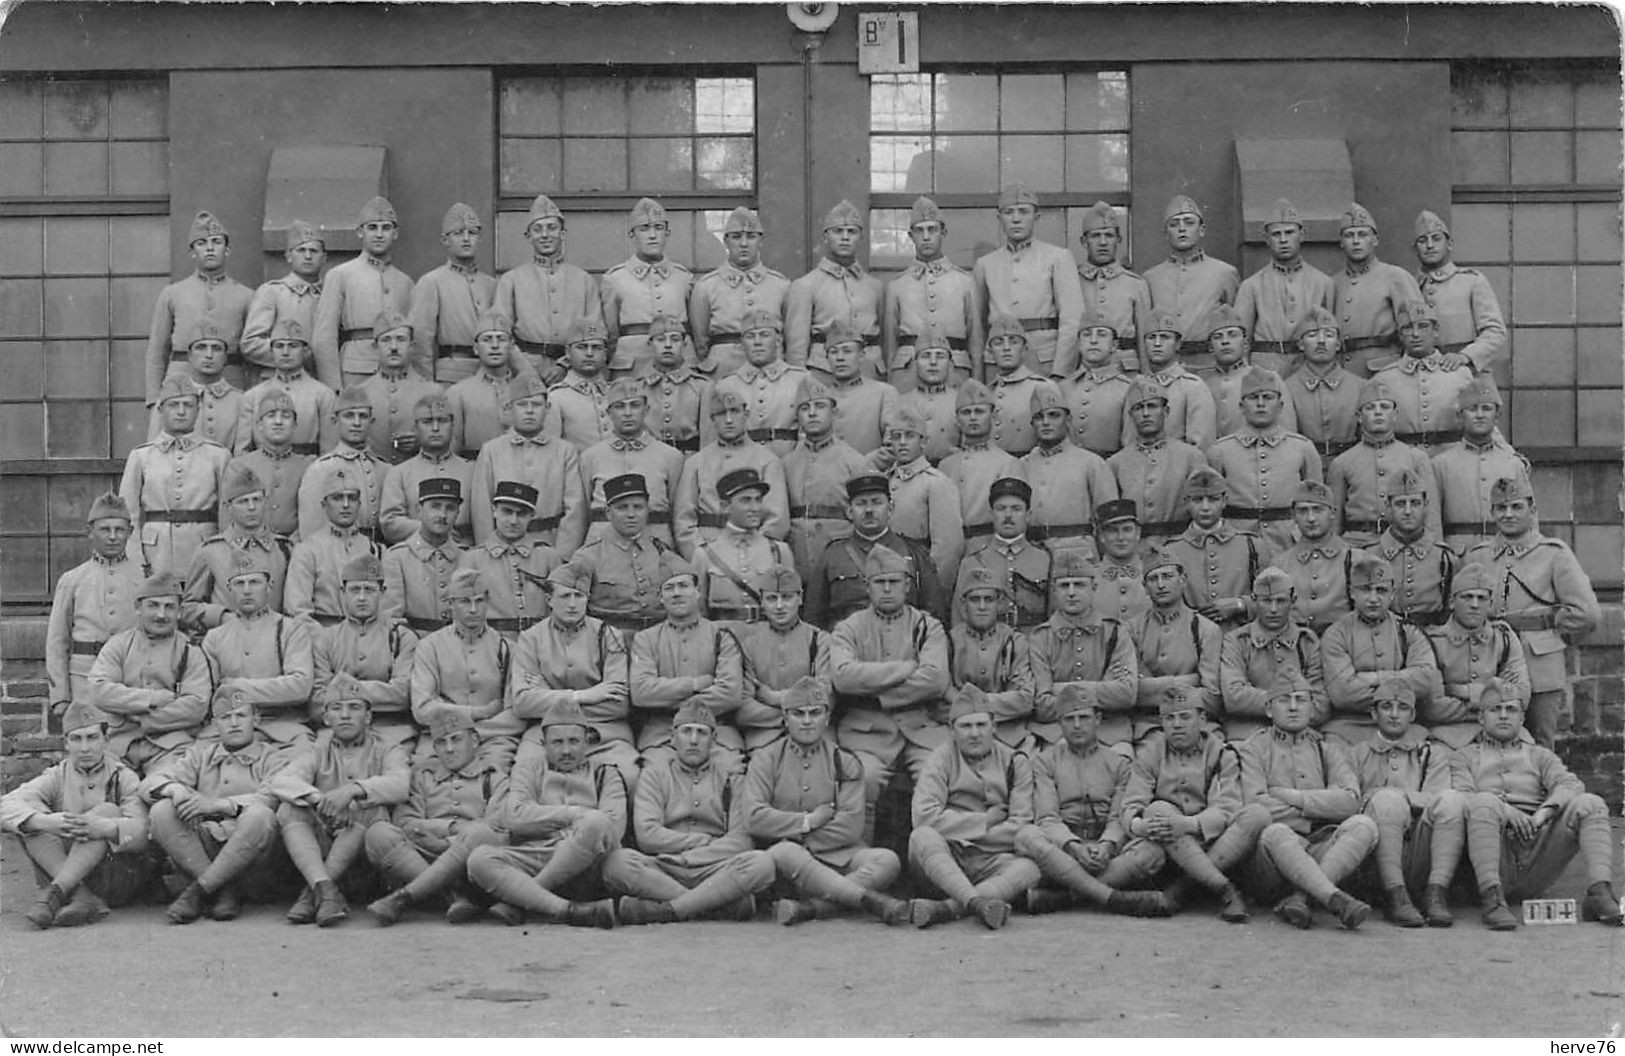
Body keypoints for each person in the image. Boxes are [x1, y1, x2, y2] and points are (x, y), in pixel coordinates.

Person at [1451, 682, 1622, 929]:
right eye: (1494, 709)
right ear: (1480, 717)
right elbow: (1461, 795)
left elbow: (1570, 785)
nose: (1503, 715)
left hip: (1537, 846)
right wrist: (1505, 810)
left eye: (1511, 709)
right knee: (1482, 802)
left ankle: (1599, 892)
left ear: (1522, 718)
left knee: (1591, 803)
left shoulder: (1540, 756)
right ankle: (1492, 898)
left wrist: (1544, 812)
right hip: (1492, 849)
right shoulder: (1463, 757)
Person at [742, 677, 912, 926]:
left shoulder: (845, 762)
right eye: (799, 714)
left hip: (839, 857)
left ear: (827, 718)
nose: (808, 721)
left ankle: (813, 908)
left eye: (815, 713)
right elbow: (754, 817)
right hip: (791, 861)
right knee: (783, 852)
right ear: (785, 720)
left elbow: (851, 825)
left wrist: (797, 836)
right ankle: (864, 900)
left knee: (886, 860)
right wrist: (807, 822)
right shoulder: (766, 759)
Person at [603, 700, 776, 924]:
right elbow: (647, 835)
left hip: (715, 869)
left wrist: (694, 858)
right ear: (673, 738)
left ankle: (668, 910)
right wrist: (699, 844)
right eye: (686, 731)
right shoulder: (654, 775)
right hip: (666, 866)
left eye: (701, 733)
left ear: (714, 740)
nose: (693, 740)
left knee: (762, 864)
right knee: (616, 862)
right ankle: (717, 906)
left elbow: (741, 840)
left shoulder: (733, 778)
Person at [1465, 475, 1600, 748]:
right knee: (1488, 741)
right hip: (1491, 662)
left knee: (1540, 744)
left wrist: (1550, 626)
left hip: (1538, 664)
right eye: (1501, 508)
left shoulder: (1554, 554)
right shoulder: (1478, 556)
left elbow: (1587, 614)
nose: (1508, 514)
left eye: (1516, 507)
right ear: (1492, 513)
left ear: (1532, 510)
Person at [465, 698, 625, 928]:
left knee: (596, 822)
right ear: (543, 744)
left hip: (587, 867)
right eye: (557, 742)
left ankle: (523, 900)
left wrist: (564, 831)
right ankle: (570, 911)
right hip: (536, 855)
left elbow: (612, 828)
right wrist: (574, 814)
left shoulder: (605, 774)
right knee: (480, 859)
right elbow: (516, 817)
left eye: (574, 741)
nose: (566, 750)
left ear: (587, 742)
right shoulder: (528, 769)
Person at [1114, 686, 1269, 921]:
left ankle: (1183, 889)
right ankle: (1224, 890)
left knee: (1257, 814)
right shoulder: (1150, 752)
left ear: (1202, 719)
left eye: (1185, 717)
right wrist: (1139, 826)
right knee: (1158, 809)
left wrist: (1188, 824)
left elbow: (1225, 808)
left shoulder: (1221, 753)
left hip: (1214, 842)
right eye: (1169, 718)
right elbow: (1132, 803)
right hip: (1166, 844)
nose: (1177, 725)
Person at [829, 543, 951, 837]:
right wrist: (908, 668)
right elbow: (843, 677)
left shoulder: (927, 626)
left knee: (935, 775)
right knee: (863, 778)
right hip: (866, 731)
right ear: (867, 586)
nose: (886, 589)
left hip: (920, 726)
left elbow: (935, 679)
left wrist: (875, 691)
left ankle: (931, 862)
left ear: (907, 585)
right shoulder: (849, 628)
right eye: (879, 582)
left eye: (893, 582)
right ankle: (861, 859)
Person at [140, 688, 291, 924]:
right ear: (214, 724)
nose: (233, 724)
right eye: (225, 717)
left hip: (254, 862)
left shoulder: (273, 758)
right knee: (162, 810)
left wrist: (218, 805)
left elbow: (272, 797)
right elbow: (151, 783)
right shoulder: (201, 756)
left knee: (261, 815)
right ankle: (221, 888)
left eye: (241, 716)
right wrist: (175, 789)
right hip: (205, 851)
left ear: (256, 719)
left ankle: (202, 889)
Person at [270, 676, 411, 926]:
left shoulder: (388, 748)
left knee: (367, 806)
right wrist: (319, 799)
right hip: (322, 849)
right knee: (288, 809)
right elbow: (281, 781)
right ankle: (325, 891)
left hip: (365, 859)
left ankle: (312, 893)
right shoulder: (318, 749)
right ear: (326, 719)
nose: (345, 715)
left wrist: (352, 790)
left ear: (368, 716)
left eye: (354, 707)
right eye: (337, 708)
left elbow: (400, 785)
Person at [1238, 678, 1377, 930]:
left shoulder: (1327, 749)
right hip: (1272, 860)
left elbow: (1350, 801)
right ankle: (1328, 896)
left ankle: (1304, 896)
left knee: (1364, 825)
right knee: (1275, 832)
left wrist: (1294, 797)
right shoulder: (1253, 749)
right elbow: (1256, 804)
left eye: (1301, 700)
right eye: (1284, 700)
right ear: (1269, 709)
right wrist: (1320, 811)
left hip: (1318, 847)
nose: (1293, 707)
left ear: (1312, 709)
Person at [1012, 685, 1161, 917]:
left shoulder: (1119, 763)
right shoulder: (1045, 762)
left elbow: (1118, 817)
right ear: (1060, 724)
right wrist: (1073, 847)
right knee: (1027, 837)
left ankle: (1066, 898)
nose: (1078, 725)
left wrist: (1107, 845)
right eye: (1069, 719)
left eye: (1084, 717)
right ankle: (1112, 898)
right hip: (1062, 852)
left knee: (1152, 850)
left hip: (1105, 853)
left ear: (1098, 719)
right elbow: (1047, 817)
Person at [3, 700, 150, 930]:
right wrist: (46, 822)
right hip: (68, 872)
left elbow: (144, 832)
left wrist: (107, 827)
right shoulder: (56, 775)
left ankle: (57, 893)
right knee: (29, 821)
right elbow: (6, 805)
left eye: (92, 738)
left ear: (106, 740)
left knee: (107, 812)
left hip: (113, 879)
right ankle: (81, 895)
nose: (84, 748)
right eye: (76, 739)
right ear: (66, 744)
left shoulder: (124, 777)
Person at [907, 694, 1042, 930]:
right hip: (947, 858)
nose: (974, 733)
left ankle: (948, 908)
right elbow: (924, 817)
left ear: (994, 727)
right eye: (965, 726)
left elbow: (1020, 824)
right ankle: (978, 903)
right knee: (922, 836)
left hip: (991, 862)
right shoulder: (940, 759)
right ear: (952, 730)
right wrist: (985, 821)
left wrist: (966, 834)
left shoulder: (1014, 761)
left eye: (981, 725)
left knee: (1029, 867)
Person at [363, 709, 508, 926]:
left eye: (456, 740)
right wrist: (452, 830)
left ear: (475, 740)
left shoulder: (494, 777)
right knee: (378, 833)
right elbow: (404, 822)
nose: (449, 749)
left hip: (468, 859)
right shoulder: (423, 777)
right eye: (441, 743)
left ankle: (405, 896)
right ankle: (450, 895)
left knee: (480, 834)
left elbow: (497, 826)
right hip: (422, 854)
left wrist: (447, 840)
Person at [1349, 679, 1466, 928]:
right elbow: (1349, 801)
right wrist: (1383, 799)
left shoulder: (1431, 754)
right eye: (1386, 707)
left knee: (1453, 800)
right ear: (1373, 713)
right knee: (1386, 801)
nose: (1393, 715)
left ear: (1412, 715)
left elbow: (1438, 798)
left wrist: (1398, 795)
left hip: (1418, 848)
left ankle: (1436, 892)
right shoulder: (1356, 754)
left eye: (1402, 708)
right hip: (1373, 854)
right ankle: (1395, 895)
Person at [512, 561, 637, 785]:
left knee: (629, 774)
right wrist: (585, 695)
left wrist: (548, 696)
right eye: (565, 596)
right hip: (546, 734)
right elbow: (522, 703)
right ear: (549, 600)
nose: (572, 604)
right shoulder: (531, 638)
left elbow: (618, 704)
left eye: (579, 596)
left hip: (604, 734)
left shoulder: (609, 635)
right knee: (525, 772)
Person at [86, 572, 211, 774]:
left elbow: (196, 706)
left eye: (169, 607)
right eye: (153, 605)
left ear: (179, 612)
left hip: (171, 747)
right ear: (137, 608)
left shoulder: (191, 652)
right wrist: (153, 698)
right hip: (120, 747)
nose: (161, 615)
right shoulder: (119, 645)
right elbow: (98, 691)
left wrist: (137, 716)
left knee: (163, 794)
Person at [629, 564, 746, 769]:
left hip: (715, 731)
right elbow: (641, 692)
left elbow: (730, 693)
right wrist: (695, 683)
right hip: (662, 734)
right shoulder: (646, 639)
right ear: (660, 597)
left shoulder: (721, 636)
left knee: (729, 768)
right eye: (669, 588)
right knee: (656, 770)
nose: (676, 593)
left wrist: (667, 696)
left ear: (697, 592)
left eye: (683, 586)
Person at [410, 568, 523, 771]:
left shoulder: (507, 648)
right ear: (451, 603)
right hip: (441, 737)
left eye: (479, 601)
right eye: (464, 602)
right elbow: (423, 709)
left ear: (487, 602)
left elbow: (516, 713)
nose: (473, 609)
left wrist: (474, 733)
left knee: (493, 771)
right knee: (423, 770)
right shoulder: (430, 647)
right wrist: (478, 712)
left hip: (494, 739)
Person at [202, 550, 315, 750]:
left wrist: (237, 685)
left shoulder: (291, 629)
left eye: (254, 582)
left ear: (270, 586)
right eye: (239, 583)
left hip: (282, 729)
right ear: (229, 588)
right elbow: (210, 694)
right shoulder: (215, 638)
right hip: (229, 730)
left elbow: (300, 686)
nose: (246, 590)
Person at [120, 375, 231, 579]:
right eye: (174, 405)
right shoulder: (141, 457)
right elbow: (128, 515)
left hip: (203, 549)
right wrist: (135, 557)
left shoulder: (218, 456)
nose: (181, 412)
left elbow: (227, 513)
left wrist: (223, 556)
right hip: (155, 554)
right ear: (160, 410)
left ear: (198, 410)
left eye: (188, 405)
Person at [1026, 552, 1137, 750]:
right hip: (1056, 732)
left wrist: (1060, 689)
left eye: (1079, 585)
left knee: (1121, 760)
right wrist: (1102, 688)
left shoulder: (1114, 632)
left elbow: (1126, 694)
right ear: (1053, 590)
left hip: (1109, 730)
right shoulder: (1040, 637)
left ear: (1094, 588)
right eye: (1064, 585)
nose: (1071, 592)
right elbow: (1042, 706)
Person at [972, 182, 1082, 380]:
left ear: (1036, 217)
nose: (1016, 219)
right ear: (999, 218)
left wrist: (1061, 371)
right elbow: (978, 327)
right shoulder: (985, 264)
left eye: (1023, 212)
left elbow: (1072, 320)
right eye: (1008, 212)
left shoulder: (1057, 257)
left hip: (1042, 361)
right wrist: (979, 375)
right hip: (997, 364)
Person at [806, 474, 945, 630]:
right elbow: (813, 618)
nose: (869, 510)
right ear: (849, 512)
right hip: (847, 645)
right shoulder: (832, 556)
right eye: (861, 504)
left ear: (891, 508)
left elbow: (934, 615)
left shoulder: (914, 553)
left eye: (876, 502)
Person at [46, 492, 141, 718]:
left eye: (119, 530)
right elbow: (57, 641)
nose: (112, 537)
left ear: (131, 532)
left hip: (130, 678)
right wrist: (60, 696)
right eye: (104, 529)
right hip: (84, 679)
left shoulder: (145, 579)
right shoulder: (72, 580)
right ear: (90, 532)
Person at [1204, 367, 1321, 552]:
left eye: (1267, 397)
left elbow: (1316, 503)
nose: (1260, 404)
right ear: (1241, 406)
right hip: (1236, 543)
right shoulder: (1220, 451)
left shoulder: (1302, 448)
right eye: (1253, 398)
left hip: (1288, 542)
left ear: (1280, 405)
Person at [144, 210, 253, 405]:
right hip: (180, 379)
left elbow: (252, 353)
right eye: (202, 244)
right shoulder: (172, 293)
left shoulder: (246, 296)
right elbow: (157, 351)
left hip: (230, 380)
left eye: (216, 242)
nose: (210, 249)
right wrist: (154, 398)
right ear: (192, 252)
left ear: (227, 250)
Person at [493, 194, 602, 385]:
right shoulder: (511, 280)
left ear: (563, 233)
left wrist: (565, 364)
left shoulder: (583, 280)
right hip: (524, 371)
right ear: (528, 236)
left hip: (573, 372)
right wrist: (525, 369)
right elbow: (501, 332)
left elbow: (596, 330)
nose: (545, 235)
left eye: (552, 228)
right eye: (538, 229)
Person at [469, 374, 586, 554]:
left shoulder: (564, 451)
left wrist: (562, 556)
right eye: (522, 405)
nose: (530, 411)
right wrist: (491, 552)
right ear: (509, 408)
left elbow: (574, 509)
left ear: (547, 409)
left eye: (536, 405)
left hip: (549, 545)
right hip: (503, 547)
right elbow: (482, 509)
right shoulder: (492, 450)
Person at [312, 554, 419, 750]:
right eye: (354, 590)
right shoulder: (326, 639)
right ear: (342, 592)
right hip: (337, 732)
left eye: (369, 590)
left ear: (383, 592)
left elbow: (403, 693)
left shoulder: (401, 637)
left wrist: (342, 689)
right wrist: (379, 691)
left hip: (391, 731)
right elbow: (318, 700)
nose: (361, 597)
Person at [1423, 562, 1531, 750]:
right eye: (1467, 597)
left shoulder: (1504, 637)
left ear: (1490, 603)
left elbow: (1521, 696)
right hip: (1448, 734)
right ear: (1451, 602)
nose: (1474, 604)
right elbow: (1433, 707)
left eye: (1482, 598)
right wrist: (1493, 700)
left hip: (1500, 731)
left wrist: (1458, 691)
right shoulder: (1432, 641)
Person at [312, 196, 415, 388]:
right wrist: (334, 387)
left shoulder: (405, 282)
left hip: (398, 373)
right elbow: (323, 337)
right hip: (355, 371)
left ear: (396, 233)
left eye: (386, 228)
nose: (379, 234)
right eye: (372, 227)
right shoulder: (341, 275)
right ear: (360, 232)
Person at [673, 389, 790, 559]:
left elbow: (776, 520)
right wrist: (701, 555)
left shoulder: (767, 460)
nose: (728, 420)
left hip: (753, 552)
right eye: (721, 414)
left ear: (746, 414)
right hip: (709, 550)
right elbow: (684, 520)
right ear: (712, 419)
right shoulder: (696, 463)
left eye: (734, 412)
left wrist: (754, 552)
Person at [1219, 567, 1329, 741]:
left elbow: (1321, 704)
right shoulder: (1237, 641)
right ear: (1254, 601)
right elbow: (1234, 697)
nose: (1273, 609)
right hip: (1247, 732)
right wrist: (1291, 704)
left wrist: (1278, 709)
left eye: (1281, 601)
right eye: (1266, 601)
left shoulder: (1307, 642)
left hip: (1300, 732)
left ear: (1293, 601)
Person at [1329, 378, 1441, 548]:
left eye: (1385, 407)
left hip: (1405, 544)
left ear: (1395, 415)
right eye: (1370, 408)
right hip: (1358, 545)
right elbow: (1334, 520)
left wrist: (1433, 550)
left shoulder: (1416, 458)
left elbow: (1431, 515)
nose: (1378, 412)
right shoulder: (1342, 462)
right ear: (1359, 416)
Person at [884, 196, 981, 391]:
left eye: (932, 229)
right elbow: (889, 343)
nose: (926, 237)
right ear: (910, 236)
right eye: (919, 230)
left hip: (956, 369)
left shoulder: (964, 282)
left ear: (943, 232)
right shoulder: (897, 285)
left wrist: (976, 383)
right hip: (907, 371)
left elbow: (975, 339)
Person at [1128, 546, 1222, 744]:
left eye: (1167, 576)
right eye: (1153, 579)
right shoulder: (1131, 629)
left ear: (1183, 580)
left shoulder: (1205, 629)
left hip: (1197, 723)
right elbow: (1130, 692)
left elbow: (1212, 698)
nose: (1161, 584)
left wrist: (1153, 687)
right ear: (1145, 587)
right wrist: (1189, 681)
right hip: (1149, 724)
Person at [573, 472, 683, 640]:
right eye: (622, 508)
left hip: (658, 642)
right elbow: (573, 613)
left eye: (638, 507)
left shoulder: (663, 552)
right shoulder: (588, 557)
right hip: (609, 643)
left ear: (647, 510)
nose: (631, 514)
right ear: (608, 513)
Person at [185, 464, 292, 634]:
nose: (251, 507)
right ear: (228, 507)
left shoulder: (284, 549)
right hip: (226, 639)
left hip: (272, 640)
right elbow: (188, 608)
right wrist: (222, 617)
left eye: (256, 500)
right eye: (243, 501)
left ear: (265, 502)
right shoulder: (210, 551)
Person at [579, 379, 685, 549]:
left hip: (655, 542)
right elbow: (582, 512)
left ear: (646, 410)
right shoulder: (591, 456)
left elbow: (677, 511)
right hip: (602, 544)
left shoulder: (670, 456)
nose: (627, 413)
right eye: (619, 407)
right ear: (609, 412)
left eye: (635, 406)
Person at [786, 199, 885, 381]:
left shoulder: (874, 287)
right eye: (838, 231)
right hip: (823, 373)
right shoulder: (806, 285)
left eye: (852, 232)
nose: (845, 237)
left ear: (861, 238)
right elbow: (796, 348)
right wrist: (799, 384)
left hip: (869, 372)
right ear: (825, 237)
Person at [782, 377, 871, 578]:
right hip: (798, 564)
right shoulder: (787, 463)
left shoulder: (854, 462)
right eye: (805, 408)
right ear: (797, 417)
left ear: (834, 412)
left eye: (819, 406)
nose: (812, 413)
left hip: (842, 567)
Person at [689, 206, 791, 380]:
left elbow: (790, 337)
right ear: (725, 241)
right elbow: (700, 340)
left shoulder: (781, 285)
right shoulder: (706, 286)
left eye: (751, 237)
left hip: (770, 372)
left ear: (761, 241)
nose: (744, 243)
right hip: (723, 370)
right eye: (736, 237)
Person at [737, 564, 830, 755]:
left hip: (815, 735)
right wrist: (792, 716)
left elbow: (824, 694)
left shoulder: (819, 640)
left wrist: (773, 698)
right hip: (764, 736)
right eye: (772, 598)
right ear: (761, 601)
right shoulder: (748, 644)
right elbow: (744, 707)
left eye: (787, 598)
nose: (779, 606)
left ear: (800, 598)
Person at [1142, 195, 1238, 377]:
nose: (1182, 229)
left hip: (1209, 366)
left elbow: (1234, 324)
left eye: (1188, 222)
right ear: (1165, 233)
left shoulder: (1224, 273)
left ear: (1201, 230)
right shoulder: (1151, 277)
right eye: (1174, 224)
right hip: (1165, 368)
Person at [1432, 376, 1529, 555]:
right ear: (1460, 417)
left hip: (1504, 553)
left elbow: (1529, 518)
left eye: (1486, 409)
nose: (1479, 415)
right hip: (1459, 555)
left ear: (1497, 416)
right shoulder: (1441, 465)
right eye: (1472, 409)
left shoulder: (1512, 463)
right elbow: (1432, 521)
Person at [1166, 466, 1270, 632]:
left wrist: (1240, 604)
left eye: (1213, 499)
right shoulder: (1172, 550)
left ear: (1224, 501)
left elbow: (1273, 597)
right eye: (1197, 500)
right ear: (1186, 502)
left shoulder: (1251, 545)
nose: (1205, 507)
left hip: (1243, 639)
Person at [1108, 376, 1208, 546]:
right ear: (1131, 414)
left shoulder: (1191, 457)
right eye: (1139, 408)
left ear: (1166, 411)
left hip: (1181, 546)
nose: (1146, 414)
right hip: (1135, 550)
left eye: (1152, 406)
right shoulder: (1115, 463)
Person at [1023, 383, 1118, 561]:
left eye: (1054, 415)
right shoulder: (1023, 465)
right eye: (1039, 417)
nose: (1045, 422)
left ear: (1068, 420)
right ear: (1032, 423)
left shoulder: (1091, 463)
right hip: (1034, 555)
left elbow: (1109, 521)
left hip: (1079, 554)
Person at [601, 197, 693, 380]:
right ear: (632, 235)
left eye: (658, 228)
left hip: (677, 365)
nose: (652, 235)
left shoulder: (683, 277)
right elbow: (610, 334)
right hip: (632, 366)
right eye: (644, 229)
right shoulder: (615, 279)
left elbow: (695, 330)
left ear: (667, 232)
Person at [408, 202, 498, 385]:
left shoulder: (491, 284)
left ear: (480, 238)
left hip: (490, 375)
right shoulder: (432, 282)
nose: (466, 239)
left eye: (472, 233)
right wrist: (426, 385)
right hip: (450, 376)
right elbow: (421, 343)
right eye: (458, 233)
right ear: (445, 240)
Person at [947, 568, 1036, 752]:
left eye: (988, 600)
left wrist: (970, 703)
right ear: (963, 605)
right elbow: (941, 696)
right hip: (960, 733)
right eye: (974, 600)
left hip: (1008, 732)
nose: (981, 606)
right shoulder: (950, 641)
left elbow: (1025, 698)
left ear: (1000, 604)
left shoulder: (1014, 641)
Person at [1235, 199, 1334, 365]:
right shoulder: (1252, 285)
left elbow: (1333, 335)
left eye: (1289, 233)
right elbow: (1240, 340)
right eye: (1276, 234)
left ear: (1301, 235)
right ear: (1266, 239)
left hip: (1308, 366)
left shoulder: (1323, 283)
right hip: (1266, 367)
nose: (1283, 240)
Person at [1331, 203, 1424, 378]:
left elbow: (1416, 328)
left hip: (1384, 370)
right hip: (1343, 373)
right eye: (1349, 235)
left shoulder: (1396, 277)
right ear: (1341, 243)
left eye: (1363, 234)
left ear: (1375, 240)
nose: (1356, 241)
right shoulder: (1333, 283)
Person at [692, 468, 792, 631]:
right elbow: (698, 612)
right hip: (722, 641)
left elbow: (789, 608)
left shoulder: (779, 551)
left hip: (766, 640)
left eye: (758, 500)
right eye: (745, 500)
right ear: (725, 506)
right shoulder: (705, 554)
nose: (755, 508)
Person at [457, 480, 558, 640]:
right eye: (507, 512)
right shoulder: (473, 558)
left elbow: (558, 608)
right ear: (494, 511)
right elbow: (463, 613)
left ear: (532, 516)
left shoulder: (547, 556)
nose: (513, 521)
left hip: (540, 643)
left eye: (521, 514)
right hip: (491, 643)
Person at [1372, 300, 1475, 451]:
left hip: (1451, 460)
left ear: (1436, 331)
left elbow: (1483, 425)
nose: (1415, 334)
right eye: (1408, 328)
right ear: (1400, 335)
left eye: (1423, 326)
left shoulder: (1460, 374)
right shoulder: (1384, 379)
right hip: (1404, 460)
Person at [1411, 209, 1506, 372]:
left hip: (1464, 370)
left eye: (1436, 238)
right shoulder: (1409, 286)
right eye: (1422, 240)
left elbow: (1495, 331)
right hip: (1423, 374)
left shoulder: (1471, 281)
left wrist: (1465, 356)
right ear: (1415, 248)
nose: (1430, 245)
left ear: (1450, 244)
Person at [288, 468, 385, 627]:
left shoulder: (374, 550)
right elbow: (298, 611)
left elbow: (385, 609)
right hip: (322, 638)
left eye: (351, 498)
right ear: (324, 504)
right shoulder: (307, 551)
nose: (345, 505)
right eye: (337, 498)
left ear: (359, 504)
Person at [1362, 468, 1458, 626]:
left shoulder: (1444, 557)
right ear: (1388, 506)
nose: (1408, 511)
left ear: (1426, 506)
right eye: (1400, 504)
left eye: (1415, 503)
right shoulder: (1371, 555)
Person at [379, 393, 475, 547]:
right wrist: (429, 528)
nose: (435, 428)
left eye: (442, 421)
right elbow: (390, 523)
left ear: (452, 425)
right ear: (416, 427)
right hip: (415, 553)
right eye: (427, 422)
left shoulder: (472, 471)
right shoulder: (399, 473)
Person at [954, 477, 1050, 632]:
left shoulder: (1045, 559)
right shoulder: (973, 562)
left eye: (1016, 509)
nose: (1008, 515)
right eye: (1001, 508)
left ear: (1028, 515)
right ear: (991, 514)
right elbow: (959, 620)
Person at [711, 308, 809, 458]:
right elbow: (715, 440)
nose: (757, 342)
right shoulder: (725, 386)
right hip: (741, 463)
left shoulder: (800, 380)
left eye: (764, 335)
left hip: (789, 459)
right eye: (750, 336)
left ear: (778, 340)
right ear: (742, 343)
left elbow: (809, 432)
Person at [883, 407, 965, 586]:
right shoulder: (885, 480)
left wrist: (935, 590)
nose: (903, 442)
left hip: (918, 578)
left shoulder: (937, 483)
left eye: (910, 436)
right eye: (897, 437)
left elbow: (947, 548)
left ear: (923, 441)